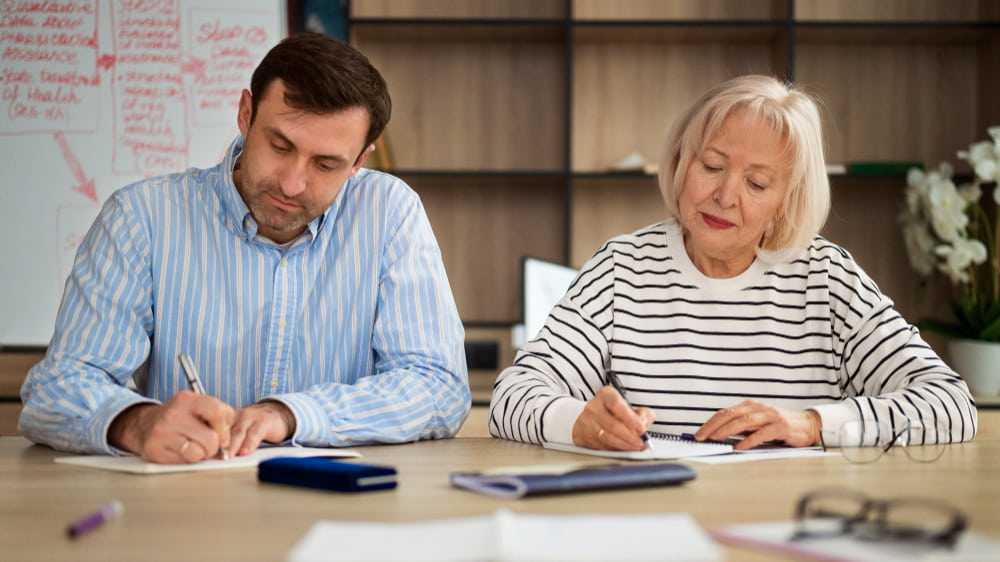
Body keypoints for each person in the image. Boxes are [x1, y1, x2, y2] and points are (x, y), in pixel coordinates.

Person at [20, 33, 470, 463]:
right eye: (280, 145)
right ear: (245, 113)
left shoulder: (389, 214)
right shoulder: (142, 217)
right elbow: (58, 388)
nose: (293, 183)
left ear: (359, 161)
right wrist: (136, 425)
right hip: (182, 507)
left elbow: (439, 387)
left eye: (326, 164)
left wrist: (291, 415)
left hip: (338, 508)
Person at [489, 75, 977, 452]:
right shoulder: (622, 269)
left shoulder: (828, 278)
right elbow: (511, 396)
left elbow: (951, 404)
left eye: (757, 184)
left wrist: (811, 424)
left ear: (786, 200)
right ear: (681, 161)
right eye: (712, 166)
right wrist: (578, 423)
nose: (724, 196)